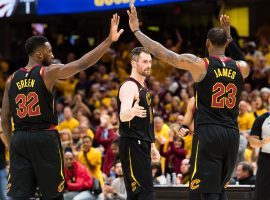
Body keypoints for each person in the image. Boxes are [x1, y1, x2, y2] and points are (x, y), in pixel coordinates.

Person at [127, 6, 249, 200]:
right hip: (232, 134)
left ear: (207, 43)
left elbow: (164, 53)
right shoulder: (241, 68)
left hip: (209, 133)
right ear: (226, 42)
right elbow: (244, 60)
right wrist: (231, 40)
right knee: (220, 190)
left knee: (206, 192)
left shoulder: (200, 64)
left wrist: (137, 30)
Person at [0, 14, 123, 200]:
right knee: (54, 195)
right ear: (39, 54)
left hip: (19, 139)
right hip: (44, 137)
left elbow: (3, 119)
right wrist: (108, 40)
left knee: (19, 197)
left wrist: (13, 146)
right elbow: (82, 63)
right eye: (50, 52)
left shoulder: (11, 79)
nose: (53, 55)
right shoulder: (47, 72)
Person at [117, 47, 160, 200]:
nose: (148, 65)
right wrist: (131, 112)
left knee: (138, 194)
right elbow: (123, 114)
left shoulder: (143, 87)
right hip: (132, 144)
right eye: (144, 62)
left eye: (150, 61)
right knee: (144, 193)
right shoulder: (130, 86)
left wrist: (152, 144)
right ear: (134, 63)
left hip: (142, 143)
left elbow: (147, 120)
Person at [249, 112, 270, 200]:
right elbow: (252, 142)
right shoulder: (262, 119)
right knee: (262, 194)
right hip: (266, 160)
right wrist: (262, 142)